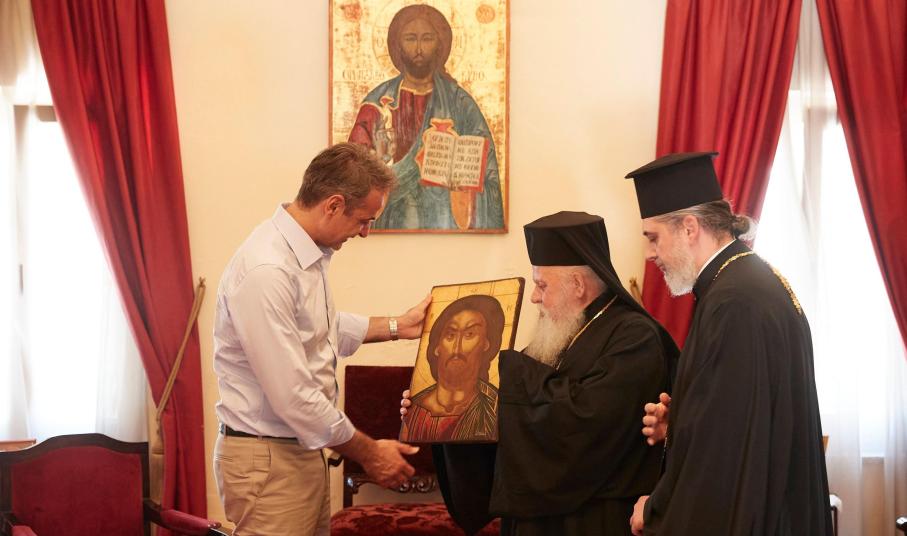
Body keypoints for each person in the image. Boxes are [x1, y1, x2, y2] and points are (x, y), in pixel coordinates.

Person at [402, 211, 679, 535]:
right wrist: (447, 411)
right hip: (537, 520)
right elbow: (514, 418)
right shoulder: (558, 337)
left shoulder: (635, 338)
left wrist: (501, 373)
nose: (534, 296)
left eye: (541, 285)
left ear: (578, 285)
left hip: (593, 521)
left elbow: (586, 425)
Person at [212, 143, 431, 536]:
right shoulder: (267, 269)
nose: (365, 232)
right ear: (333, 205)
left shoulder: (303, 253)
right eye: (364, 220)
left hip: (298, 451)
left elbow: (319, 330)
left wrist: (400, 325)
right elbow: (293, 396)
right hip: (270, 459)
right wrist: (370, 452)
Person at [624, 152, 832, 535]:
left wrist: (654, 509)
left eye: (653, 238)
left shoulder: (734, 302)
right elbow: (738, 417)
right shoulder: (744, 280)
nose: (650, 254)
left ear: (689, 228)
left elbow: (722, 452)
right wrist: (679, 425)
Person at [348, 3, 504, 230]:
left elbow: (489, 176)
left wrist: (459, 174)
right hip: (391, 217)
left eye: (427, 38)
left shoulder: (460, 104)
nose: (419, 48)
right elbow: (352, 173)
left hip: (447, 218)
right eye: (410, 39)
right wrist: (382, 163)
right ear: (397, 45)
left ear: (440, 44)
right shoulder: (378, 104)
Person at [403, 294, 503, 442]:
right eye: (450, 335)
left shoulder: (494, 408)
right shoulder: (415, 409)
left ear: (486, 344)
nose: (457, 348)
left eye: (469, 334)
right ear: (437, 347)